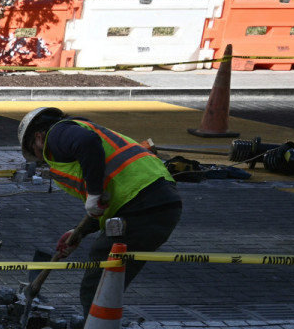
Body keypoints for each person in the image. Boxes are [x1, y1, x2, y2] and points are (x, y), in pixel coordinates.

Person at [18, 106, 181, 309]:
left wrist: (93, 193)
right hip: (155, 201)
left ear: (39, 137)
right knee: (106, 282)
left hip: (143, 204)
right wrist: (79, 233)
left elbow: (86, 144)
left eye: (35, 151)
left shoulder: (58, 133)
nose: (41, 159)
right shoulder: (82, 139)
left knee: (97, 285)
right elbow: (104, 200)